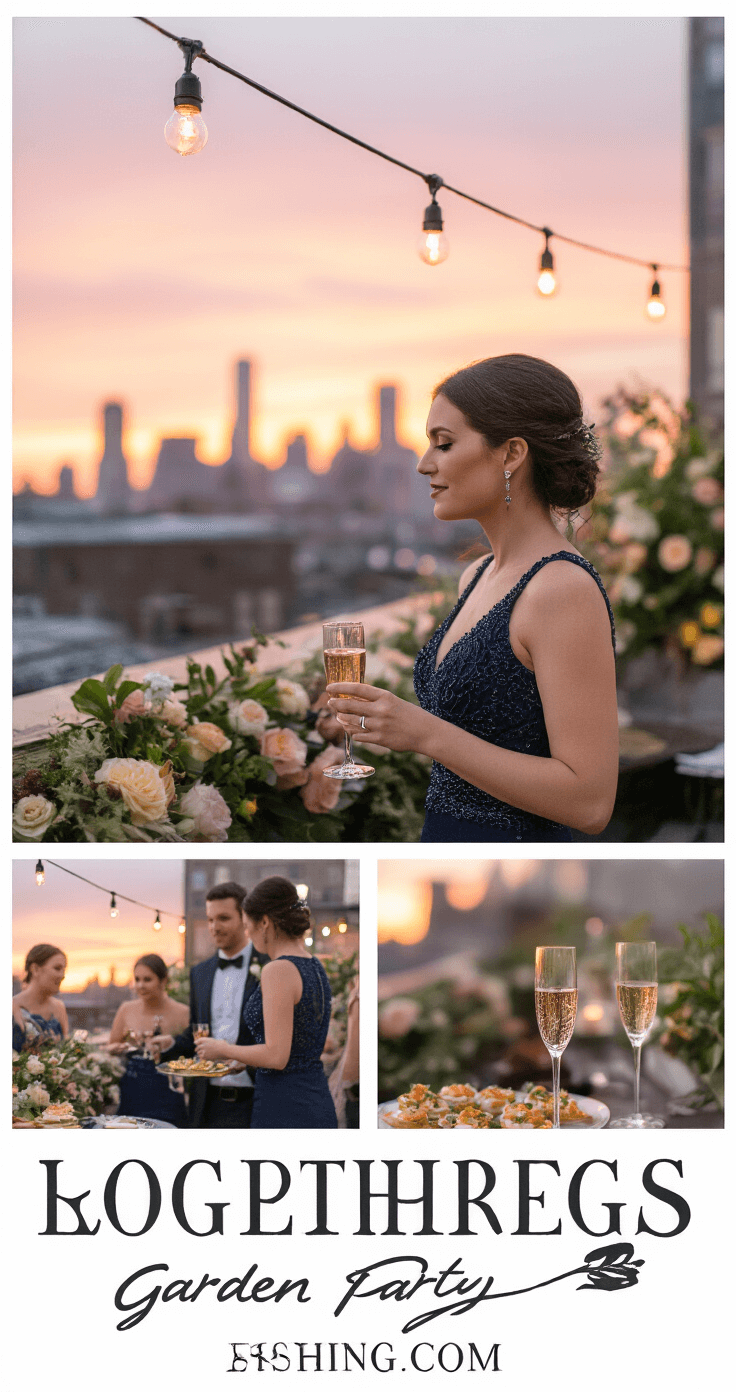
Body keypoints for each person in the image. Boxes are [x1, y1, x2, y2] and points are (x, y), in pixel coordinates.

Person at [326, 353, 619, 842]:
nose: (424, 465)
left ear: (510, 454)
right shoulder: (477, 575)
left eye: (444, 444)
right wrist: (386, 720)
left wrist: (424, 733)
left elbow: (590, 802)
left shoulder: (562, 589)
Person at [195, 877, 338, 1129]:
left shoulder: (278, 969)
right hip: (314, 1097)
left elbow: (276, 1056)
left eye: (248, 925)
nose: (248, 933)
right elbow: (296, 1045)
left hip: (284, 1104)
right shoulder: (315, 965)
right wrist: (247, 1058)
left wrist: (223, 1048)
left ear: (264, 922)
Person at [156, 881, 268, 1129]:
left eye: (223, 918)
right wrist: (172, 1043)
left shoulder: (270, 967)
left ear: (244, 918)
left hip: (256, 1101)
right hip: (206, 1105)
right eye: (210, 920)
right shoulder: (200, 973)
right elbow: (198, 1030)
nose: (214, 927)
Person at [107, 955, 189, 1126]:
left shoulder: (183, 1013)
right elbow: (111, 1046)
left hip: (169, 1093)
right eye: (137, 979)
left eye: (147, 979)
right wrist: (122, 1047)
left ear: (163, 980)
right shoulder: (126, 1009)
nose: (140, 985)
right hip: (133, 1090)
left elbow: (191, 1050)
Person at [13, 944, 68, 1052]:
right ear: (35, 969)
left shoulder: (59, 1007)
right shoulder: (11, 1006)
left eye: (64, 969)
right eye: (57, 968)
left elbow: (65, 1051)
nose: (62, 975)